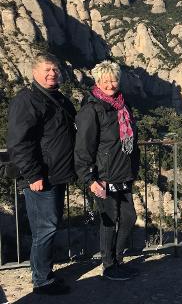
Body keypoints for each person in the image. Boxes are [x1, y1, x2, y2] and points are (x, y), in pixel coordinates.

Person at [7, 53, 76, 295]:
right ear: (34, 71)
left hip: (57, 175)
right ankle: (42, 280)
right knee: (44, 228)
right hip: (40, 178)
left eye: (55, 69)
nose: (52, 73)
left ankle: (45, 272)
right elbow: (19, 143)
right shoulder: (27, 100)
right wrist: (34, 174)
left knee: (50, 225)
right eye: (47, 69)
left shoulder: (58, 98)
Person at [74, 60, 139, 281]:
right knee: (109, 222)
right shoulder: (91, 109)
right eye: (105, 81)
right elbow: (83, 147)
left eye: (114, 79)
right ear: (97, 81)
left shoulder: (122, 104)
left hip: (123, 173)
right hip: (104, 175)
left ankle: (118, 259)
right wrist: (90, 179)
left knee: (129, 217)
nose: (110, 84)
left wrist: (134, 167)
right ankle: (109, 266)